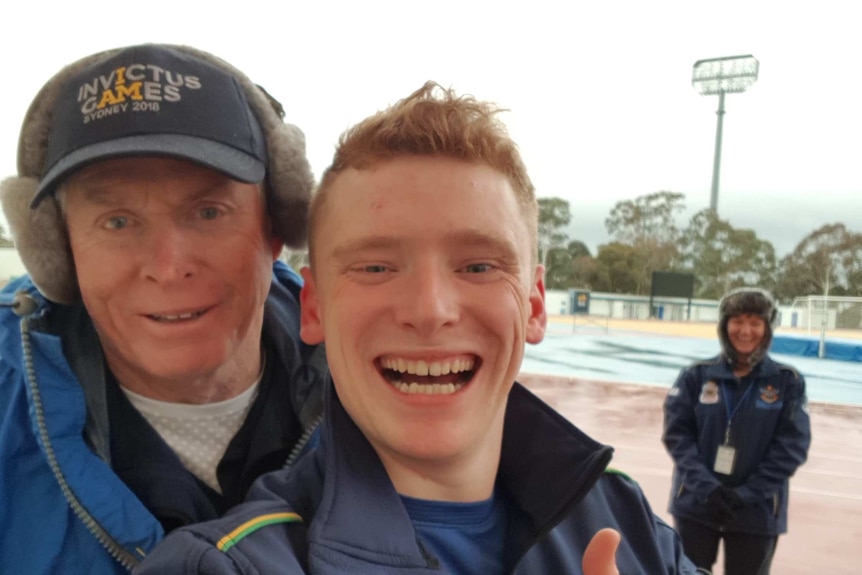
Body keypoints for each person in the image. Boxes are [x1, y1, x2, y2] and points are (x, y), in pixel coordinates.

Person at [135, 81, 701, 575]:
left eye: (479, 266)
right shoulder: (223, 567)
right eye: (376, 267)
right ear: (314, 308)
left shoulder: (625, 518)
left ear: (533, 305)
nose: (430, 310)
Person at [0, 44, 325, 574]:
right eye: (118, 222)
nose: (168, 267)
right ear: (58, 251)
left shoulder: (383, 378)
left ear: (276, 229)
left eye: (208, 210)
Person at [662, 287, 811, 574]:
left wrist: (749, 494)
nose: (745, 331)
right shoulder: (696, 375)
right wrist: (708, 489)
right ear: (724, 325)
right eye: (737, 321)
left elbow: (792, 446)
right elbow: (678, 436)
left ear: (767, 328)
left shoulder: (787, 381)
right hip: (696, 505)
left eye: (755, 322)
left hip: (757, 512)